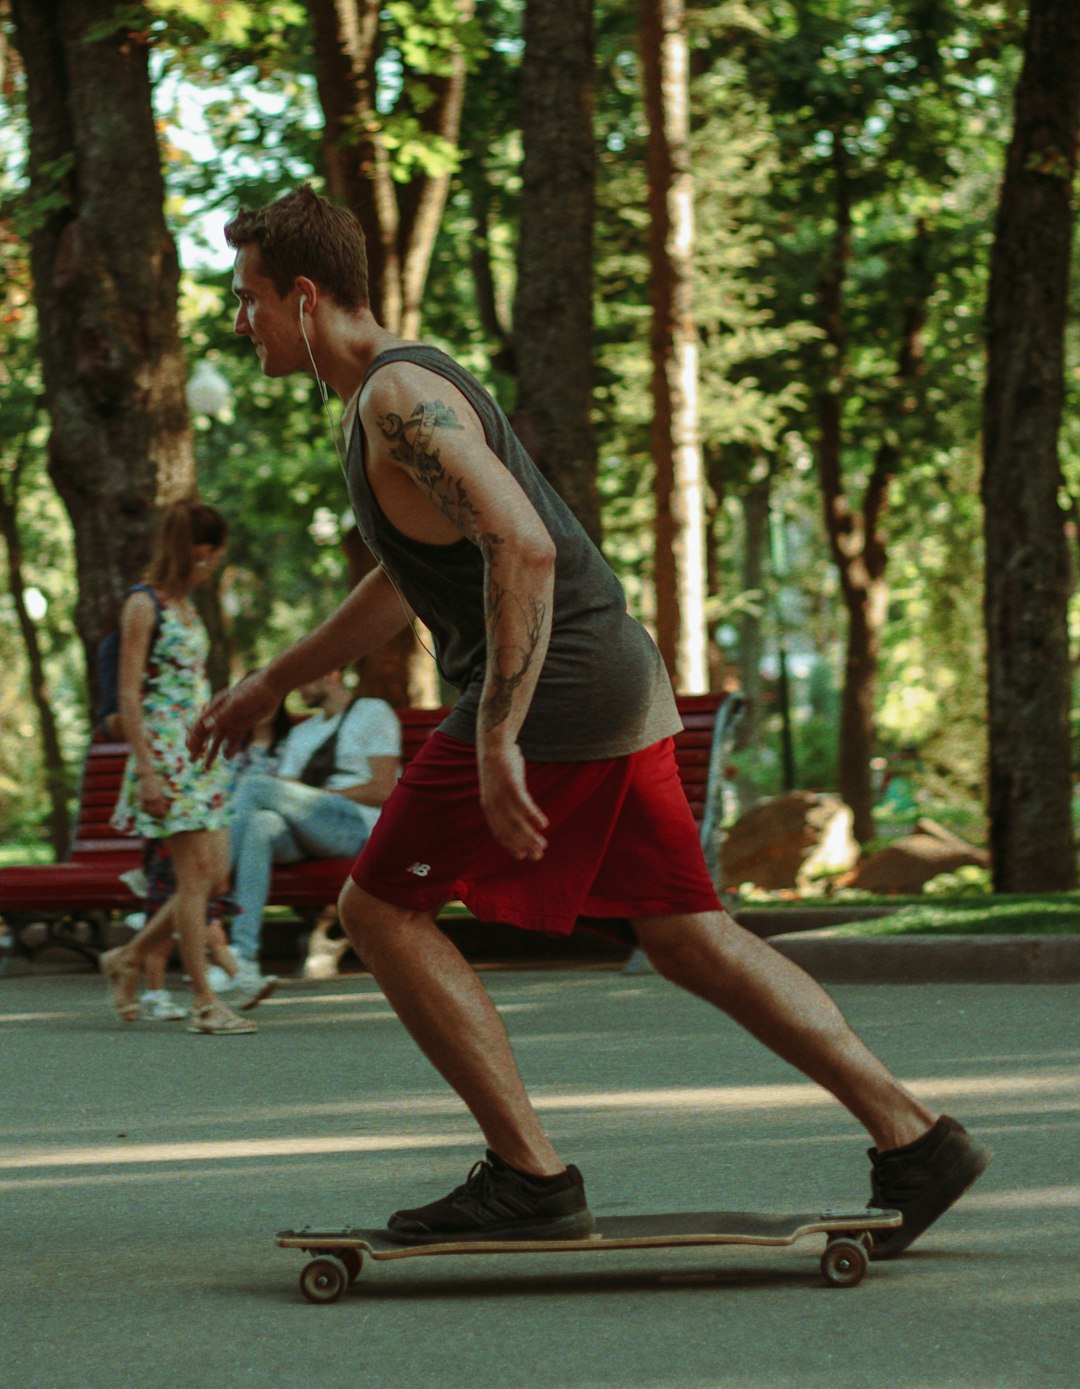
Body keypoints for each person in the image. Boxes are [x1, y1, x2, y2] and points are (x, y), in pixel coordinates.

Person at [189, 185, 990, 1253]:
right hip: (610, 678)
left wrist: (494, 733)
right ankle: (917, 1138)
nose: (240, 324)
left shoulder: (398, 395)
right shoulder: (387, 399)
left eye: (247, 299)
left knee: (378, 914)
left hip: (557, 687)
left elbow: (525, 547)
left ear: (302, 295)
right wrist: (269, 681)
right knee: (689, 936)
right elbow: (407, 575)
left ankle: (530, 1176)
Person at [102, 500, 257, 1035]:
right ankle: (205, 1003)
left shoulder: (189, 606)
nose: (213, 565)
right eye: (213, 555)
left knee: (213, 879)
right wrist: (145, 771)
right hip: (165, 754)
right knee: (193, 881)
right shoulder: (143, 605)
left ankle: (125, 958)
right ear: (197, 551)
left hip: (199, 752)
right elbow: (127, 695)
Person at [222, 669, 400, 986]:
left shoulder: (373, 712)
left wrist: (314, 797)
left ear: (331, 674)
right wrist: (302, 800)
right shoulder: (303, 733)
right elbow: (287, 793)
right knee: (262, 824)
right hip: (310, 828)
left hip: (355, 825)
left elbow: (383, 790)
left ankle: (210, 888)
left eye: (303, 679)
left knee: (254, 786)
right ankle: (242, 959)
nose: (296, 691)